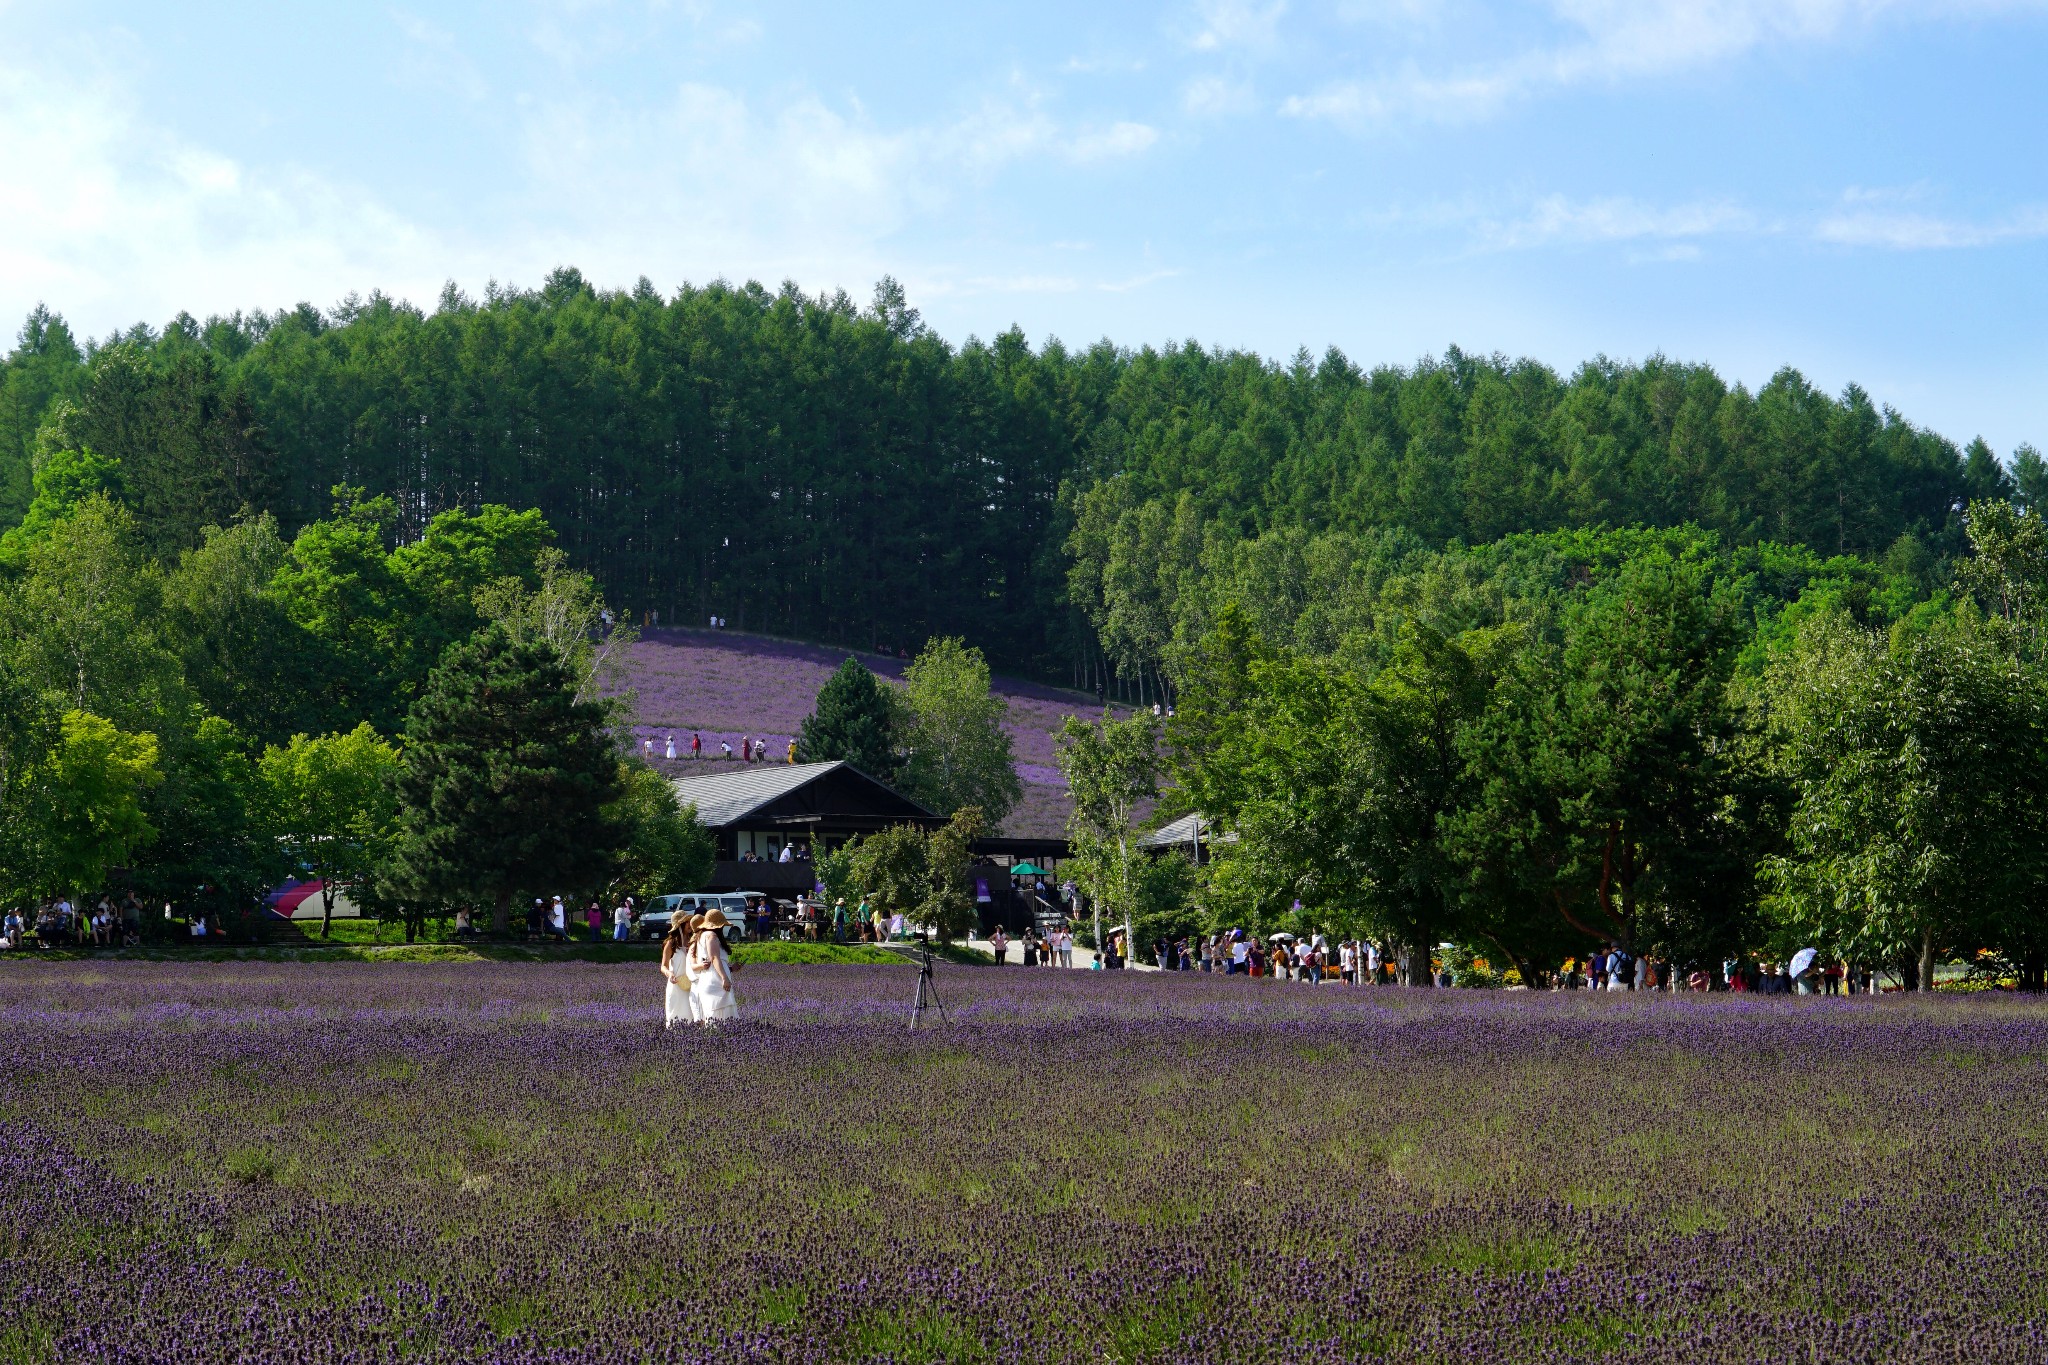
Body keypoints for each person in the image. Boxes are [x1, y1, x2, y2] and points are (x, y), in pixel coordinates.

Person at [688, 908, 738, 1023]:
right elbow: (714, 958)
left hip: (709, 977)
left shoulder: (701, 936)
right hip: (716, 979)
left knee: (713, 1016)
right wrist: (724, 978)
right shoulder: (711, 936)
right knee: (723, 1015)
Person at [661, 913, 699, 1029]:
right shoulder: (671, 943)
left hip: (691, 985)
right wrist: (669, 973)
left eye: (689, 921)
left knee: (692, 1016)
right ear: (680, 925)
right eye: (686, 922)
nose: (689, 924)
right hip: (676, 985)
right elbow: (663, 966)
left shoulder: (693, 940)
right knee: (675, 1016)